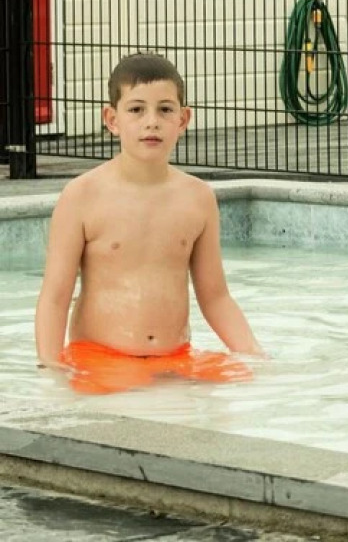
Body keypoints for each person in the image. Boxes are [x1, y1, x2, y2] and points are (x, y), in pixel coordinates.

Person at [34, 54, 260, 394]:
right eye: (137, 110)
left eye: (165, 110)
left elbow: (215, 297)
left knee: (258, 383)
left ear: (184, 119)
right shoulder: (82, 196)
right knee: (135, 401)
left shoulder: (198, 198)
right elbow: (55, 296)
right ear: (112, 119)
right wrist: (51, 367)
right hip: (101, 358)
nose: (151, 122)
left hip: (175, 356)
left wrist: (254, 355)